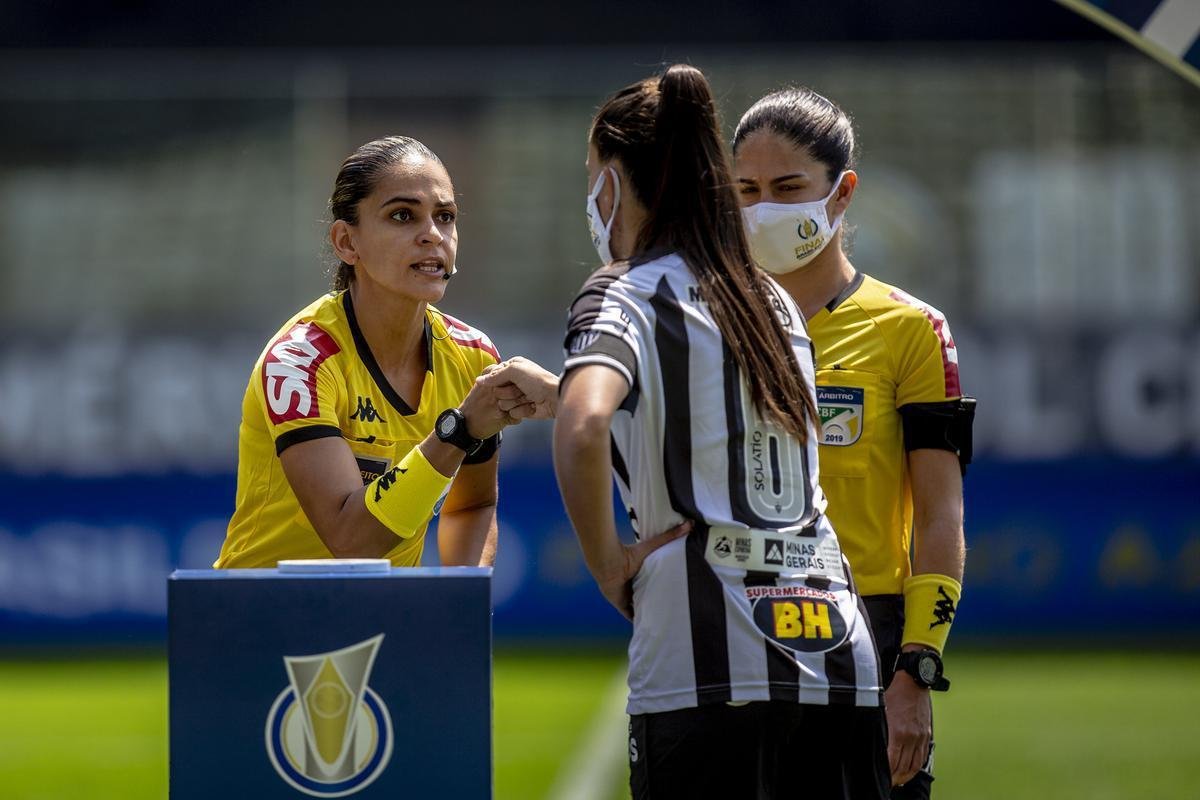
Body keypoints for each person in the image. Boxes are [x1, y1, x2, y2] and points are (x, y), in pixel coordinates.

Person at [545, 64, 889, 800]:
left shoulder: (626, 289)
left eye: (591, 176)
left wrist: (608, 565)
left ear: (613, 182)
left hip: (707, 671)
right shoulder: (770, 297)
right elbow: (710, 411)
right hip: (837, 657)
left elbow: (583, 426)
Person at [732, 88, 975, 798]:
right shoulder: (702, 321)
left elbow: (940, 515)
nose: (764, 209)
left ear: (842, 194)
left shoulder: (912, 329)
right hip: (737, 623)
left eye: (787, 189)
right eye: (746, 191)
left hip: (869, 631)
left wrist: (917, 668)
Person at [216, 135, 535, 569]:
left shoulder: (473, 357)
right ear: (347, 242)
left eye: (445, 216)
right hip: (263, 608)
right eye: (403, 215)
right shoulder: (300, 361)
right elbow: (351, 540)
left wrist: (463, 596)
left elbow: (472, 506)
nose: (433, 235)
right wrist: (458, 430)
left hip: (388, 610)